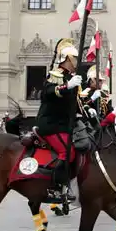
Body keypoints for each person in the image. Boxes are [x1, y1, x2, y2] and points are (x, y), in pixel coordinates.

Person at [35, 38, 82, 194]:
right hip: (51, 123)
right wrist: (67, 86)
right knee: (67, 152)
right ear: (67, 59)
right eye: (74, 58)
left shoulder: (71, 77)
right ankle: (54, 186)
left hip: (65, 124)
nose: (76, 62)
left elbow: (73, 103)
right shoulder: (55, 75)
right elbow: (48, 92)